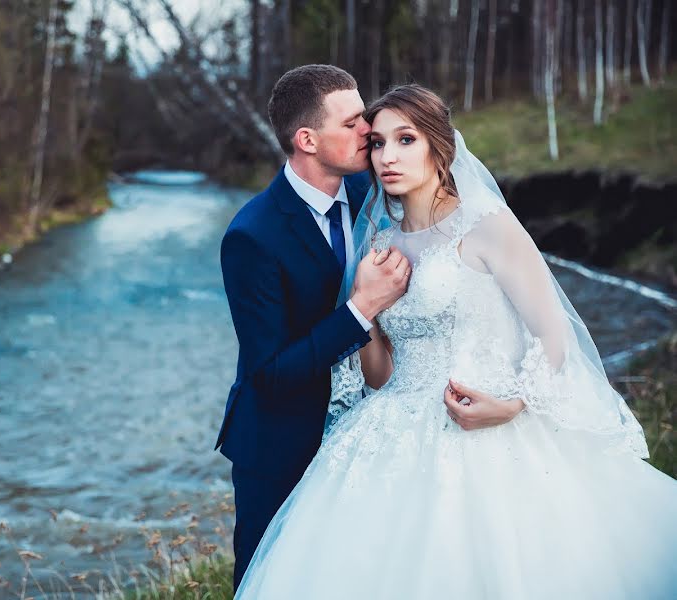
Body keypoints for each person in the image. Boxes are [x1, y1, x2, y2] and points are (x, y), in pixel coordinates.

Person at [235, 83, 677, 599]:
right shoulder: (378, 239)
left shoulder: (489, 228)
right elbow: (379, 376)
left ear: (439, 147)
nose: (386, 156)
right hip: (392, 429)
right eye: (377, 143)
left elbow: (554, 335)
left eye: (405, 140)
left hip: (486, 426)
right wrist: (367, 304)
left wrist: (513, 404)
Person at [217, 64, 418, 590]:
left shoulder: (373, 192)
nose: (368, 132)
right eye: (352, 123)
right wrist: (360, 310)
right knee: (270, 581)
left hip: (375, 433)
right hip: (282, 443)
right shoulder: (252, 236)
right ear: (307, 139)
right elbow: (269, 374)